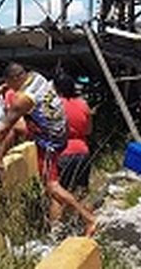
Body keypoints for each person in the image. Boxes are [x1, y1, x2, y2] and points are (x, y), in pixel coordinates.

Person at [0, 63, 96, 237]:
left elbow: (3, 128)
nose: (10, 88)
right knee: (17, 127)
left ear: (15, 79)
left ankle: (88, 219)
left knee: (52, 186)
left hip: (49, 141)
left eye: (9, 83)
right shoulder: (36, 77)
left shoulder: (23, 99)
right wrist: (3, 87)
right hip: (61, 131)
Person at [54, 74, 93, 224]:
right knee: (82, 192)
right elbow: (88, 130)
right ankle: (87, 224)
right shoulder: (83, 104)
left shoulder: (56, 105)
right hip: (82, 151)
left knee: (58, 195)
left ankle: (56, 232)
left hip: (63, 151)